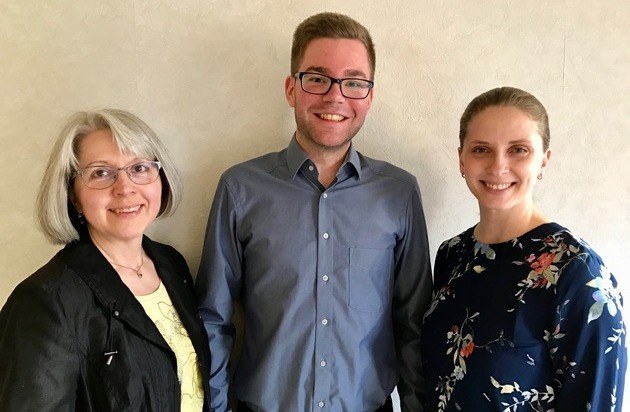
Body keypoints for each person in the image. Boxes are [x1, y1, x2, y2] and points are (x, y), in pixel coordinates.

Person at [195, 11, 432, 412]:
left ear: (369, 96)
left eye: (353, 82)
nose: (335, 96)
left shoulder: (399, 193)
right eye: (318, 79)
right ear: (292, 89)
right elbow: (213, 319)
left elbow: (413, 323)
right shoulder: (240, 189)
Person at [421, 86, 627, 411]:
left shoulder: (577, 272)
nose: (498, 166)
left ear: (543, 161)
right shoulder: (452, 255)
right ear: (461, 159)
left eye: (518, 150)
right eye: (481, 149)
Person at [0, 109, 212, 411]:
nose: (125, 187)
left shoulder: (172, 265)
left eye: (139, 168)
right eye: (101, 173)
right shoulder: (44, 302)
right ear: (73, 195)